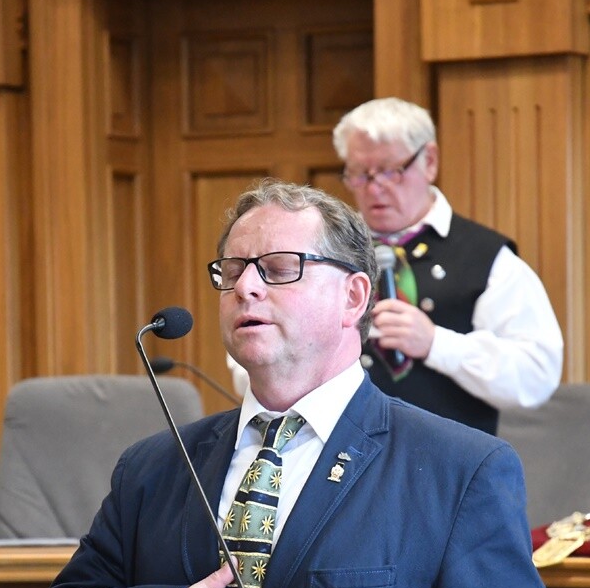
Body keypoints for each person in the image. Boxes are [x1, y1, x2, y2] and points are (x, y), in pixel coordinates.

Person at [30, 179, 556, 588]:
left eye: (280, 269)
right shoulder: (152, 467)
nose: (246, 287)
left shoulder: (460, 471)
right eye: (233, 271)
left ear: (353, 297)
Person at [230, 98, 563, 434]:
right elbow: (250, 368)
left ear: (429, 161)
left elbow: (536, 376)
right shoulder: (315, 250)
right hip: (329, 448)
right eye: (360, 174)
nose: (375, 188)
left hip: (446, 455)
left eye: (391, 171)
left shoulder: (487, 257)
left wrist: (435, 343)